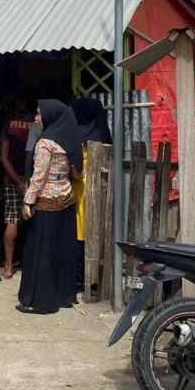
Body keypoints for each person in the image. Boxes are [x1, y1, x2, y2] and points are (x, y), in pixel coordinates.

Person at [18, 100, 83, 315]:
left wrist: (28, 201)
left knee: (41, 252)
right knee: (61, 251)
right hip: (66, 199)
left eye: (38, 114)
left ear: (50, 116)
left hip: (46, 201)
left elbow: (39, 176)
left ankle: (41, 300)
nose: (36, 118)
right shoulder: (70, 140)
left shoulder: (45, 142)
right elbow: (77, 174)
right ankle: (62, 295)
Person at [71, 97, 112, 294]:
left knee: (80, 234)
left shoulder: (75, 133)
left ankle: (80, 280)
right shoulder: (103, 132)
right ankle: (95, 278)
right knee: (96, 232)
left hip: (80, 188)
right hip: (101, 189)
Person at [0, 88, 38, 279]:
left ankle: (7, 267)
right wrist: (27, 181)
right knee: (34, 222)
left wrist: (15, 179)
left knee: (12, 220)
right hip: (33, 180)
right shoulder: (37, 123)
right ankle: (32, 265)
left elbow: (3, 157)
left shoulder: (9, 124)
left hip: (11, 179)